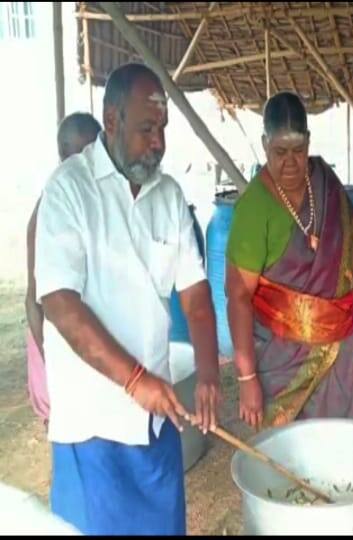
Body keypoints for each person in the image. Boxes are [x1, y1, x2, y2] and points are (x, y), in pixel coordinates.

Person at [34, 63, 221, 535]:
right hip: (93, 429)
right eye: (145, 129)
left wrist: (208, 374)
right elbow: (59, 303)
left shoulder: (170, 196)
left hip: (154, 426)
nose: (157, 142)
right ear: (111, 121)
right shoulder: (68, 191)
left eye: (161, 130)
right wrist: (135, 379)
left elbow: (196, 296)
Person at [225, 92, 353, 431]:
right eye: (279, 152)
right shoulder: (254, 207)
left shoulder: (327, 185)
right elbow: (238, 296)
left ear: (309, 142)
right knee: (289, 460)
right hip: (283, 362)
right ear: (264, 144)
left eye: (298, 151)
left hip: (341, 352)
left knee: (340, 455)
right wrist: (247, 376)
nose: (290, 163)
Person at [25, 112, 101, 425]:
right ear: (62, 155)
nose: (88, 162)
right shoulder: (47, 213)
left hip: (92, 346)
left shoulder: (99, 199)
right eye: (79, 154)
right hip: (61, 348)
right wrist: (51, 362)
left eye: (95, 152)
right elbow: (34, 299)